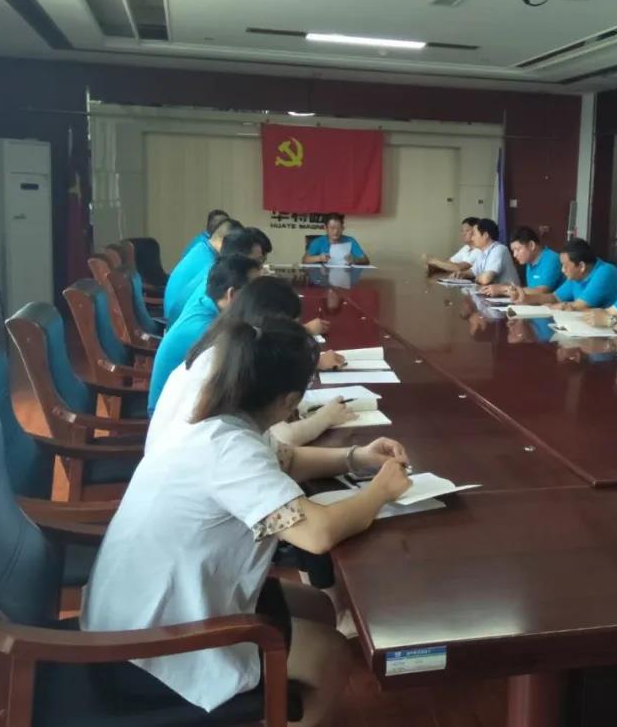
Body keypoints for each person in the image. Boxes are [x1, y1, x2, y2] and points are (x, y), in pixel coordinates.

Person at [82, 316, 412, 724]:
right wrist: (380, 493)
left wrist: (356, 457)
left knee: (318, 606)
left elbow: (286, 459)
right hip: (146, 648)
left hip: (141, 608)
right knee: (331, 655)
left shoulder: (220, 421)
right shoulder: (229, 451)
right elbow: (318, 533)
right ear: (289, 400)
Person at [148, 275, 351, 450]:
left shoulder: (224, 346)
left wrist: (353, 457)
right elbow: (284, 439)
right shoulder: (235, 365)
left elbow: (282, 454)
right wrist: (326, 417)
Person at [147, 254, 260, 415]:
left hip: (182, 405)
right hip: (170, 415)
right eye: (255, 292)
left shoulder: (207, 305)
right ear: (232, 295)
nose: (260, 298)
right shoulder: (205, 329)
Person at [166, 226, 264, 324]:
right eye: (258, 261)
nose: (261, 267)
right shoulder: (214, 281)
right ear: (239, 259)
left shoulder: (216, 276)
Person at [512, 238, 617, 310]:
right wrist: (526, 298)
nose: (562, 270)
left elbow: (579, 306)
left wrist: (553, 307)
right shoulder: (577, 276)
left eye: (565, 266)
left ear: (581, 266)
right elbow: (555, 297)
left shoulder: (605, 273)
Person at [480, 226, 563, 297]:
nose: (514, 255)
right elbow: (530, 290)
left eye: (517, 249)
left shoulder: (552, 259)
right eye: (513, 251)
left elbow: (541, 292)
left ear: (531, 245)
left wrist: (503, 289)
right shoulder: (529, 262)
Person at [455, 218, 520, 286]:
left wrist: (477, 278)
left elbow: (486, 279)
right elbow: (473, 272)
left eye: (474, 234)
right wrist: (462, 274)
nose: (472, 238)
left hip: (510, 292)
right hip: (493, 291)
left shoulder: (499, 249)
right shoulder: (482, 252)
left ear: (485, 235)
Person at [303, 213, 369, 266]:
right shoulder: (318, 241)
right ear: (325, 228)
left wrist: (354, 260)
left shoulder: (350, 240)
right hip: (324, 276)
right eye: (332, 228)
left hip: (345, 275)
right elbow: (305, 260)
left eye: (339, 228)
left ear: (343, 228)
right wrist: (319, 258)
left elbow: (366, 260)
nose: (335, 232)